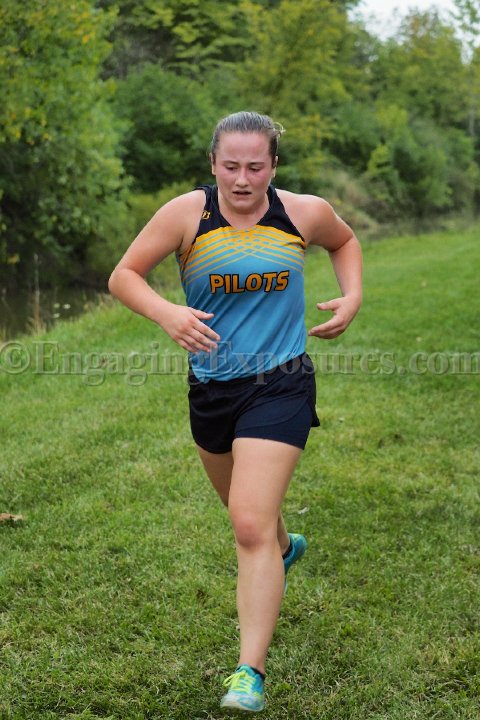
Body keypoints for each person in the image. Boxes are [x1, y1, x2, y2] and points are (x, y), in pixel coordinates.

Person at [108, 111, 362, 713]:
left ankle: (249, 672)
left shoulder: (303, 213)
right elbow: (124, 275)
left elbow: (344, 241)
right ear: (213, 164)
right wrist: (166, 312)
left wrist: (352, 295)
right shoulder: (186, 215)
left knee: (248, 525)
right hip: (212, 389)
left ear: (274, 165)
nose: (242, 179)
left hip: (281, 383)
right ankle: (284, 546)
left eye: (254, 166)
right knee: (255, 519)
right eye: (230, 166)